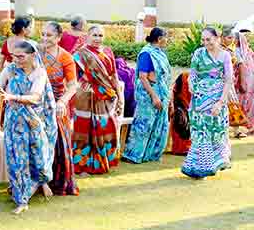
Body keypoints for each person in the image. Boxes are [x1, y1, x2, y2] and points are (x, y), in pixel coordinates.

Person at [0, 40, 57, 214]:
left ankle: (41, 181)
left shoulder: (39, 73)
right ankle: (22, 199)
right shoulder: (10, 70)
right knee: (17, 159)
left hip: (34, 121)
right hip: (14, 122)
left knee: (39, 158)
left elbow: (35, 97)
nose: (16, 60)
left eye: (21, 57)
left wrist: (13, 97)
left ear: (32, 56)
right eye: (14, 56)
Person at [181, 27, 234, 179]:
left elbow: (228, 80)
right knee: (200, 132)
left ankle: (213, 164)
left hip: (217, 100)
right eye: (203, 40)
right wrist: (191, 84)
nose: (206, 43)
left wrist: (220, 102)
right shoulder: (198, 53)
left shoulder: (225, 56)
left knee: (215, 131)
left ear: (217, 38)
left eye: (209, 39)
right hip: (199, 100)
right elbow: (193, 74)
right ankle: (199, 167)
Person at [71, 25, 124, 175]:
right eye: (94, 35)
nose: (97, 38)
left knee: (105, 127)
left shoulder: (107, 52)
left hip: (105, 96)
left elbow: (113, 76)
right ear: (88, 36)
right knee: (84, 130)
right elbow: (73, 78)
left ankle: (103, 160)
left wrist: (119, 97)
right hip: (85, 96)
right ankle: (83, 164)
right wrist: (86, 84)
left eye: (100, 35)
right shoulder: (80, 54)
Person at [38, 22, 79, 196]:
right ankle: (34, 182)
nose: (44, 38)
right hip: (36, 102)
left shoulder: (65, 57)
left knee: (57, 142)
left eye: (49, 35)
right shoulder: (35, 53)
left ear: (59, 37)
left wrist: (61, 102)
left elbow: (73, 85)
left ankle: (56, 181)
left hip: (57, 104)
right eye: (43, 34)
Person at [122, 28, 172, 163]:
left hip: (161, 91)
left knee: (158, 125)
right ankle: (133, 155)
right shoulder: (147, 54)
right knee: (143, 124)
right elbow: (143, 77)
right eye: (166, 37)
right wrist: (154, 96)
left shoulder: (160, 53)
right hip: (148, 93)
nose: (167, 40)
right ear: (159, 39)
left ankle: (150, 154)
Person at [221, 30, 248, 139]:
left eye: (232, 38)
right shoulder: (218, 50)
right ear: (222, 37)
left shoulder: (231, 50)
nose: (231, 40)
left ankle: (236, 130)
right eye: (229, 38)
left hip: (229, 82)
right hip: (219, 81)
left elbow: (238, 64)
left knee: (233, 103)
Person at [0, 16, 33, 80]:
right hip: (22, 80)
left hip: (8, 77)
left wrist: (5, 76)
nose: (31, 30)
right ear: (23, 29)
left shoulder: (7, 42)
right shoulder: (27, 44)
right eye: (30, 27)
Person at [169, 72, 192, 155]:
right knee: (180, 122)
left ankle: (187, 148)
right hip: (180, 105)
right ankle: (179, 149)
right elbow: (173, 90)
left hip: (191, 107)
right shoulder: (184, 76)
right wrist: (172, 105)